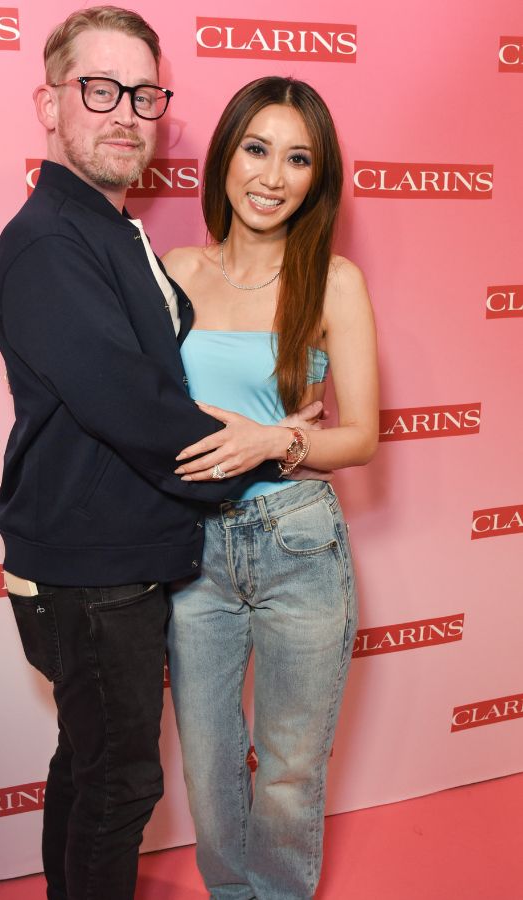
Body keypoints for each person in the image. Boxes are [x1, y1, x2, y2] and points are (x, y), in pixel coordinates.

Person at [0, 10, 320, 900]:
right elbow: (139, 412)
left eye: (144, 94)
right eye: (99, 89)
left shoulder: (109, 226)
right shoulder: (51, 242)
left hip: (114, 557)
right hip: (90, 570)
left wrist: (257, 434)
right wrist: (277, 446)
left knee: (89, 764)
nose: (125, 112)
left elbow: (152, 392)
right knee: (122, 783)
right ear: (49, 103)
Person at [164, 76, 379, 900]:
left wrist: (276, 438)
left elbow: (359, 435)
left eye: (299, 159)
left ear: (316, 179)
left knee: (290, 765)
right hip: (193, 548)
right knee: (212, 762)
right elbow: (145, 407)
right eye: (257, 148)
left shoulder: (334, 281)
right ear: (225, 157)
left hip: (298, 540)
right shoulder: (176, 270)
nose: (272, 175)